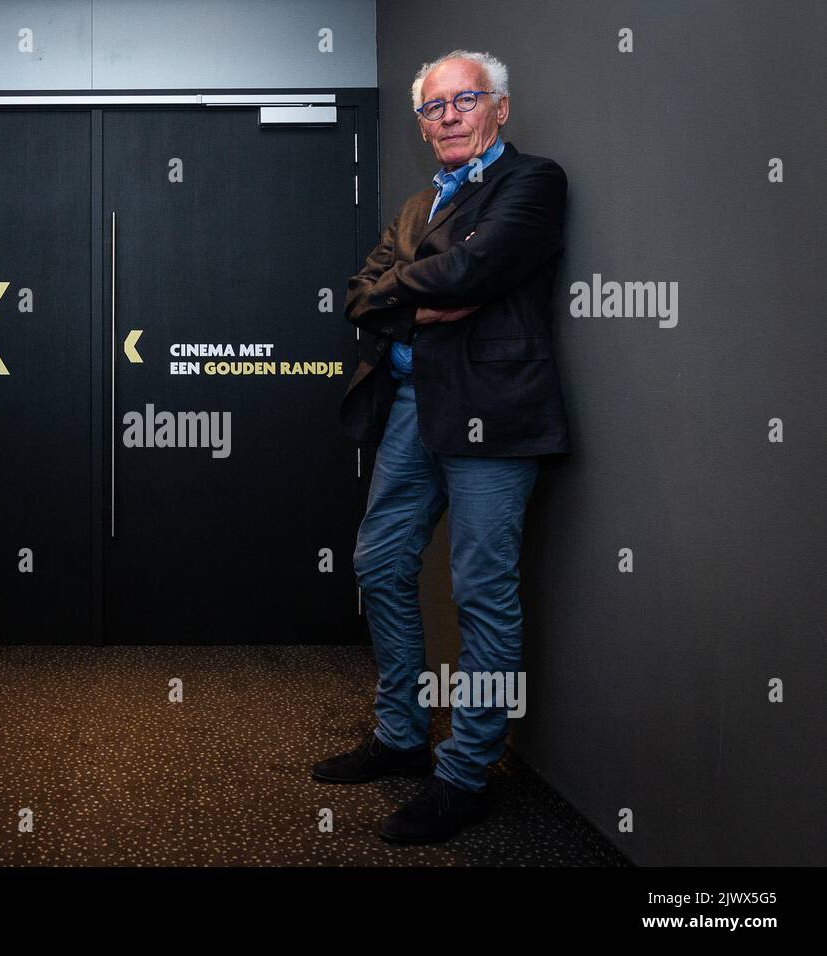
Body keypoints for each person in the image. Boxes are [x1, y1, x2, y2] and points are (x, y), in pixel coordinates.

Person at [311, 49, 570, 844]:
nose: (448, 115)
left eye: (465, 100)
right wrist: (420, 303)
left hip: (493, 413)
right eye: (434, 107)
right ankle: (400, 735)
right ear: (423, 125)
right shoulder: (417, 205)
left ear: (499, 108)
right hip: (408, 409)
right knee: (378, 562)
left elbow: (478, 267)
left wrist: (415, 294)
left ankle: (465, 775)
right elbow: (364, 295)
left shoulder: (532, 182)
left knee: (481, 592)